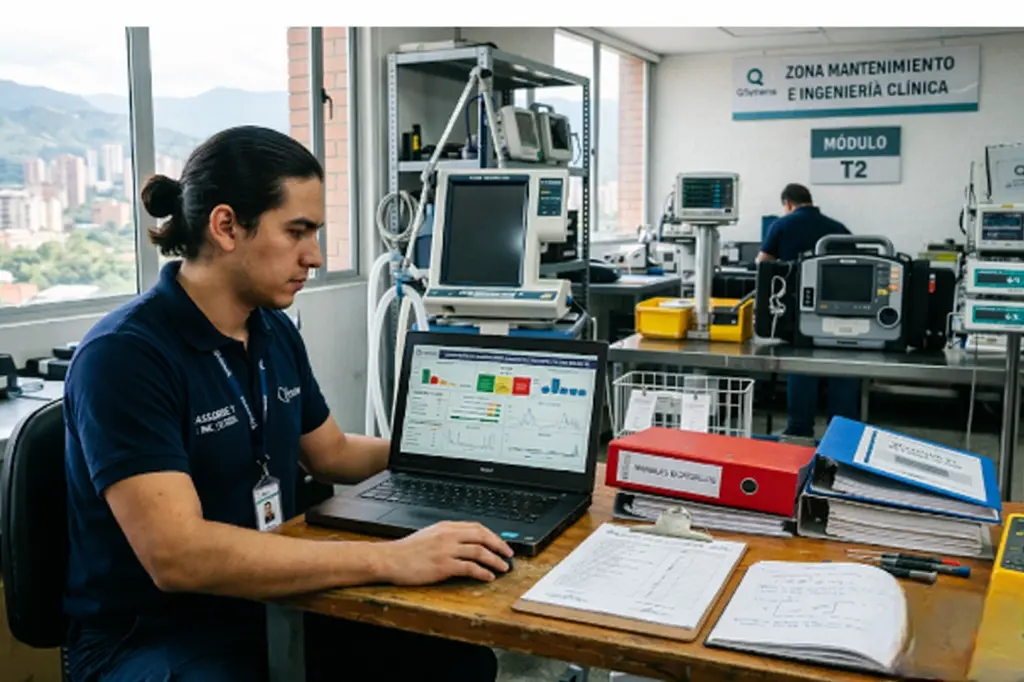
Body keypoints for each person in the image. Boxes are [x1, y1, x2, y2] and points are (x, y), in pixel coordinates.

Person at [62, 125, 511, 682]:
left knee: (456, 662)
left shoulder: (272, 329)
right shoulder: (125, 357)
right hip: (155, 633)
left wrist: (461, 453)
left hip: (273, 601)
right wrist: (390, 558)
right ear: (226, 226)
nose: (315, 256)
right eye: (298, 231)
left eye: (316, 233)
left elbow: (333, 453)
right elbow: (178, 556)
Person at [756, 183, 860, 438]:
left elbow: (762, 266)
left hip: (800, 313)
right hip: (842, 313)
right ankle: (842, 435)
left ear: (788, 204)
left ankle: (799, 431)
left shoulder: (782, 225)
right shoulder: (838, 228)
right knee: (843, 366)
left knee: (801, 366)